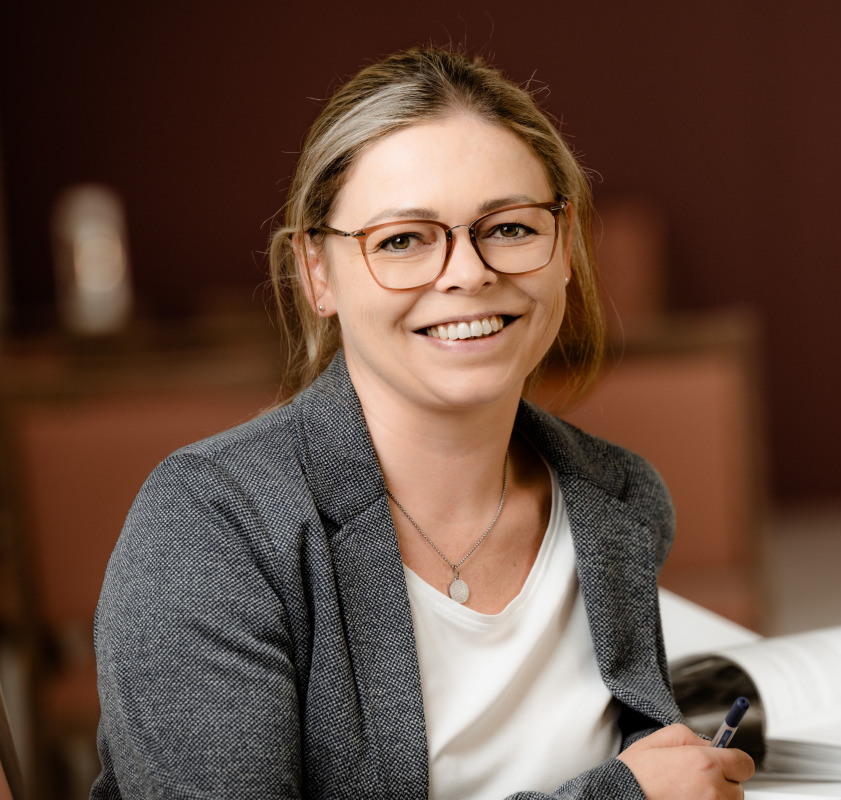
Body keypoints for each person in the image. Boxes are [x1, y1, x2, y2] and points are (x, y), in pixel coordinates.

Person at [90, 47, 755, 799]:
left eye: (510, 228)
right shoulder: (210, 527)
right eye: (402, 240)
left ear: (565, 245)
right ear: (317, 273)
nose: (468, 273)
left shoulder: (620, 497)